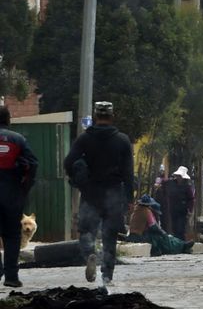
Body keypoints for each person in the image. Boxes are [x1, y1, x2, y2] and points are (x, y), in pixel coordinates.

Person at [63, 101, 133, 286]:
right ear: (111, 116)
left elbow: (68, 162)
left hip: (90, 193)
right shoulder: (122, 140)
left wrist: (77, 179)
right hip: (114, 195)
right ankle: (107, 275)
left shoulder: (84, 139)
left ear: (95, 116)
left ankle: (89, 255)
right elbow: (128, 173)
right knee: (110, 236)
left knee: (87, 232)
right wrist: (130, 198)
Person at [0, 106, 38, 288]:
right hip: (12, 194)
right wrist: (24, 188)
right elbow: (32, 164)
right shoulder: (18, 139)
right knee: (12, 236)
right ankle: (11, 277)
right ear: (8, 119)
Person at [127, 195, 193, 256]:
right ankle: (182, 246)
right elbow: (154, 226)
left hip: (133, 236)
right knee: (163, 239)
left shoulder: (136, 209)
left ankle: (182, 245)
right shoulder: (147, 211)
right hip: (141, 237)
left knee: (161, 238)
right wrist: (163, 233)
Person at [166, 166, 195, 240]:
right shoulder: (171, 183)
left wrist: (190, 210)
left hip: (183, 210)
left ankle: (181, 243)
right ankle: (176, 243)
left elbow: (191, 199)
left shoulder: (187, 187)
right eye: (178, 176)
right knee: (174, 227)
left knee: (181, 228)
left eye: (180, 176)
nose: (178, 178)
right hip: (173, 209)